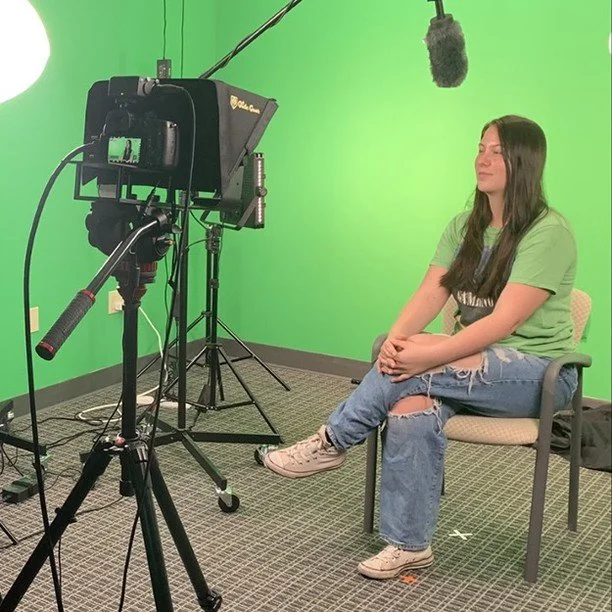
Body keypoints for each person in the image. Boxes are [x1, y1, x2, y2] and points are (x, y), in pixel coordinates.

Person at [263, 115, 579, 580]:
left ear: (524, 161)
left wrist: (425, 355)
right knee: (410, 400)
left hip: (538, 374)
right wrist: (395, 343)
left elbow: (503, 322)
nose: (483, 159)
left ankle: (332, 440)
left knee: (418, 365)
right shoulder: (464, 226)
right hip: (469, 365)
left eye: (496, 151)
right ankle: (409, 545)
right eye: (480, 148)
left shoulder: (548, 232)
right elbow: (431, 294)